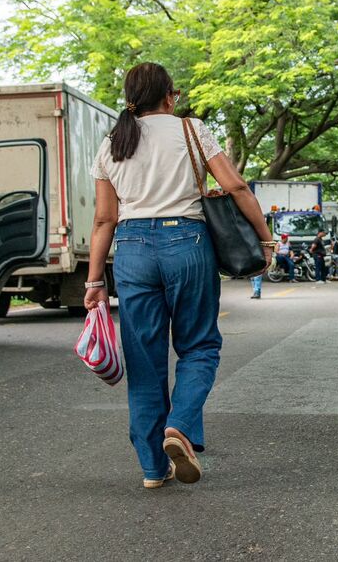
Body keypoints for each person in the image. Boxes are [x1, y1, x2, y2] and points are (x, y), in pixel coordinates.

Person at [85, 62, 275, 488]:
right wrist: (265, 240)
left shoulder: (112, 142)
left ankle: (154, 469)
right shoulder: (191, 130)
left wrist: (95, 282)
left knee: (145, 361)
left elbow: (103, 219)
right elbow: (238, 187)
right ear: (169, 96)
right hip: (187, 242)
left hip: (132, 250)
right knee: (200, 346)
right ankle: (181, 426)